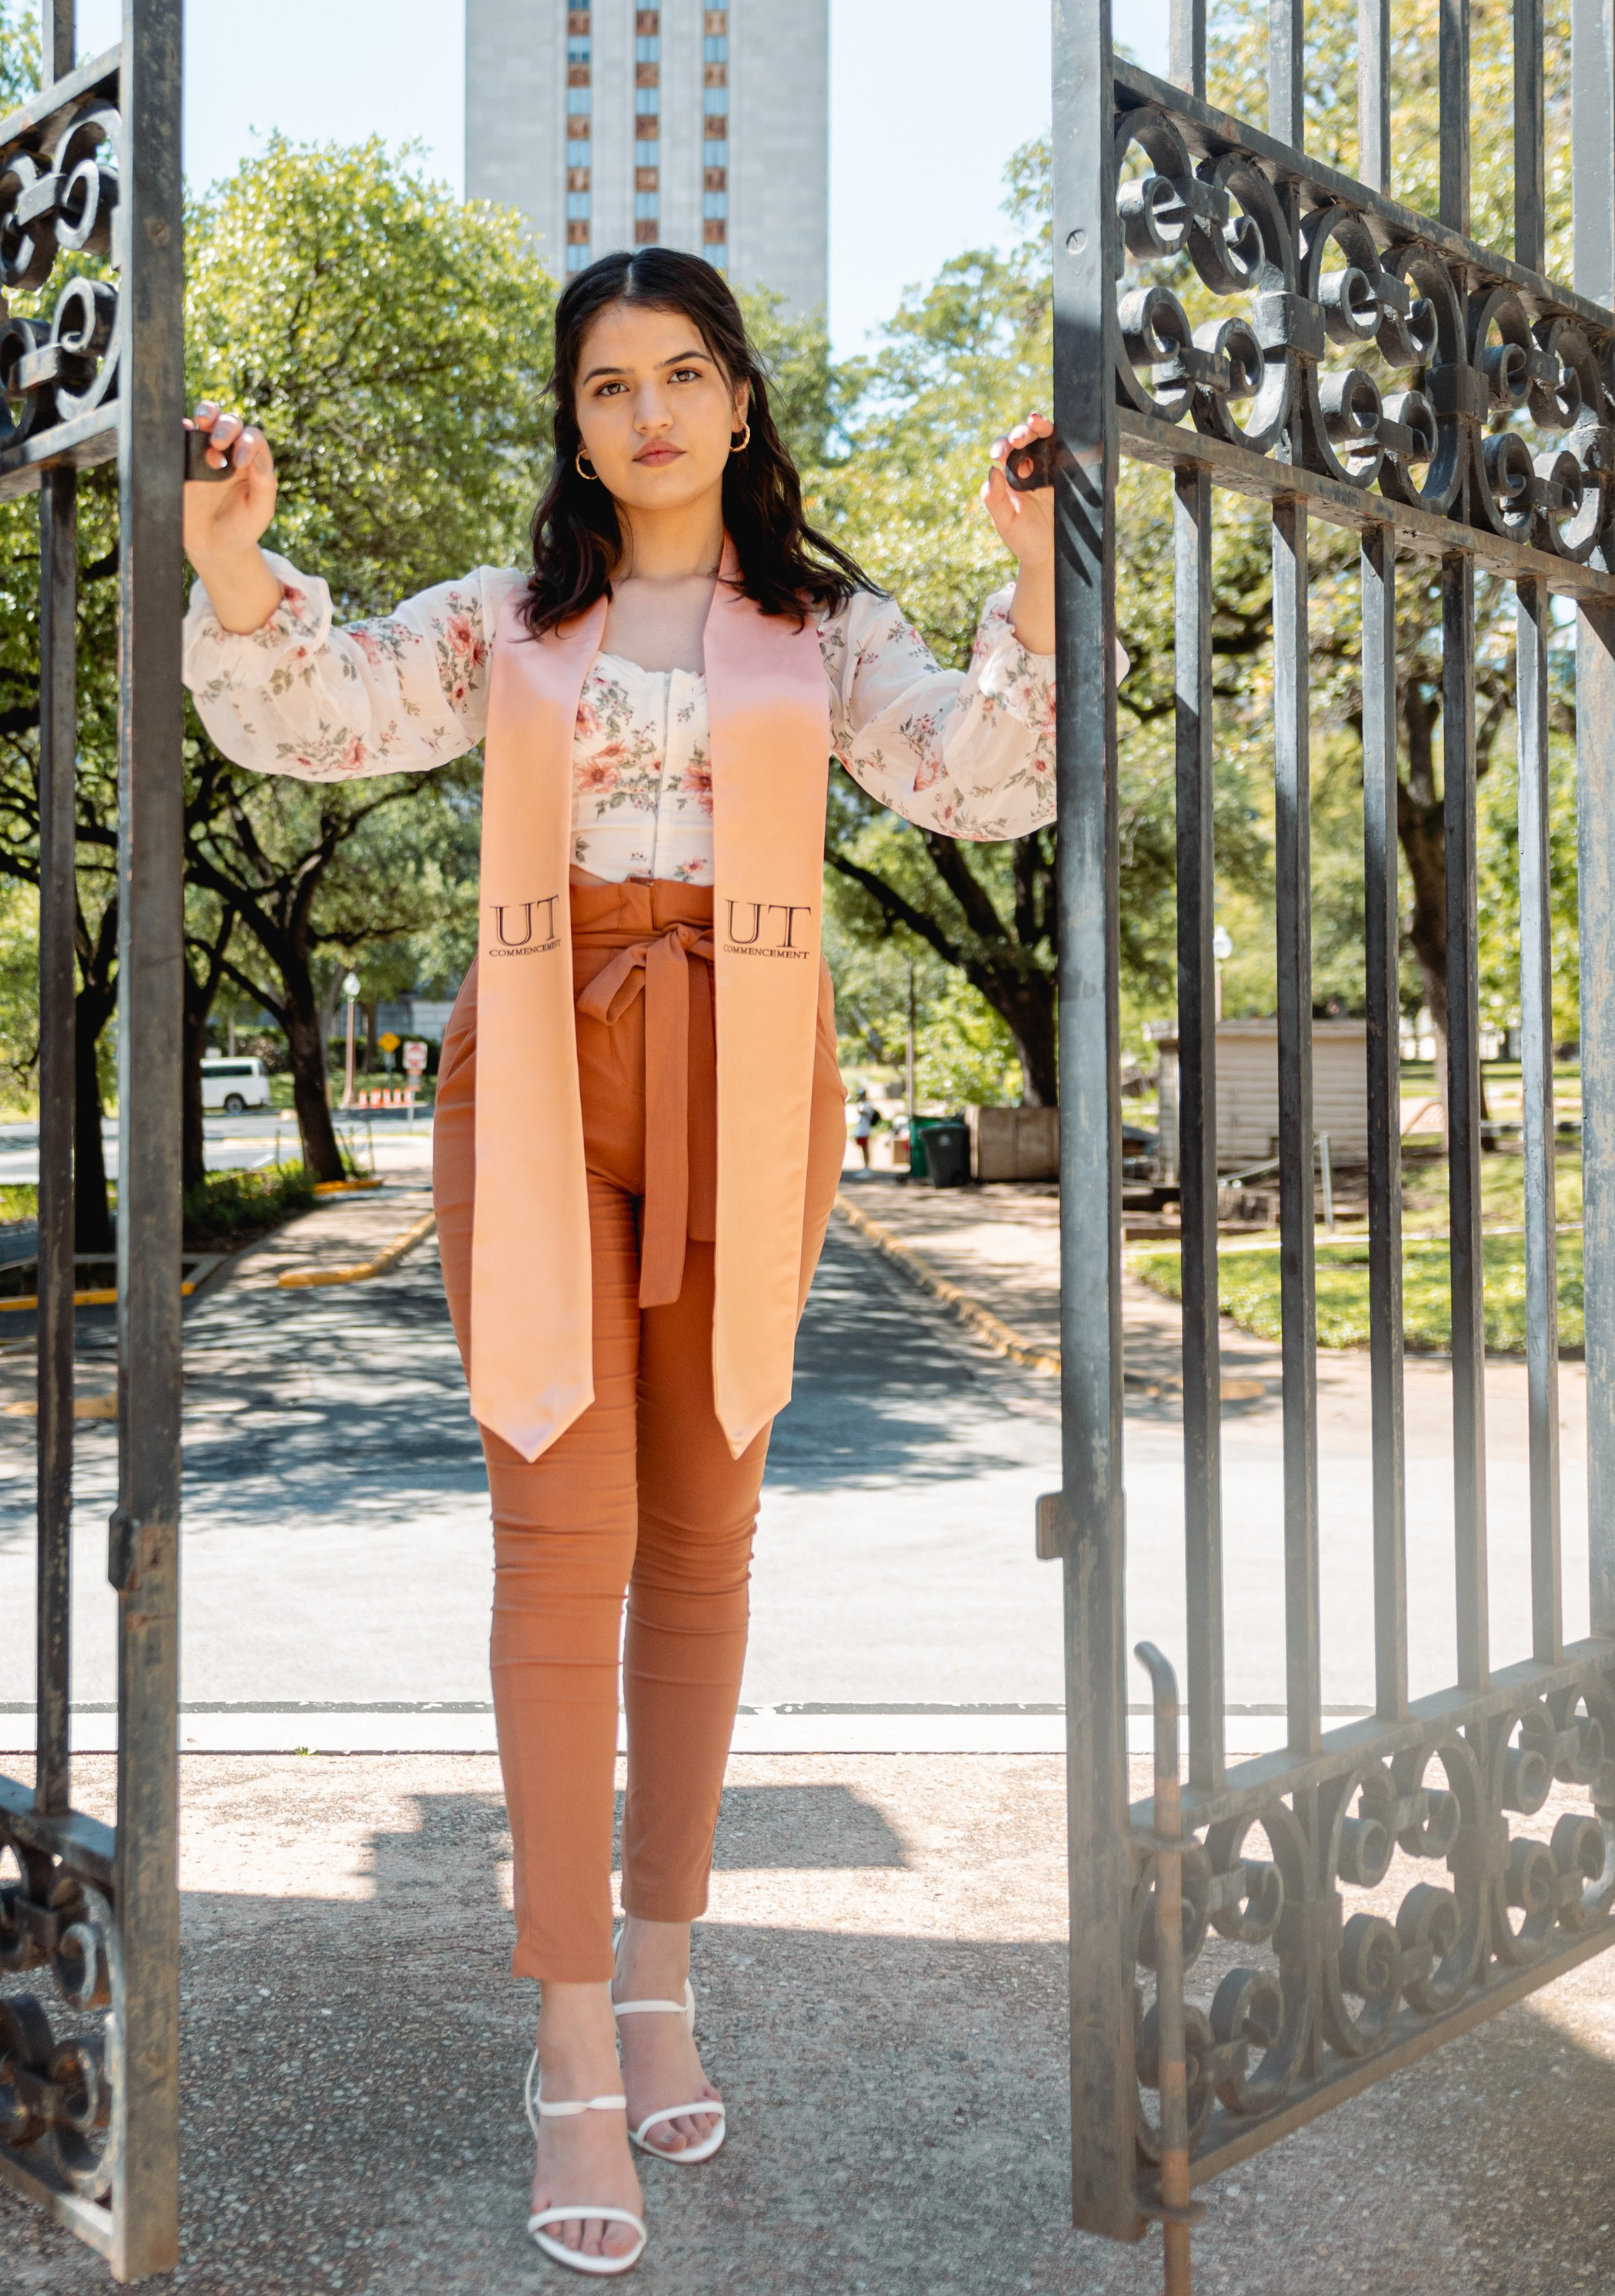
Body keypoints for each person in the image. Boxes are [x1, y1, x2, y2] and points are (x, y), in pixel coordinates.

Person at [181, 248, 1062, 2278]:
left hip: (746, 1065)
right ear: (572, 422)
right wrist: (240, 559)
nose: (648, 411)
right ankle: (574, 2032)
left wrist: (1025, 571)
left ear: (739, 401)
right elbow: (310, 718)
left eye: (683, 374)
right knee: (559, 1532)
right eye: (606, 385)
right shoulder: (512, 625)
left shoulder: (824, 627)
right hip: (540, 1057)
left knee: (708, 1533)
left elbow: (981, 780)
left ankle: (664, 1963)